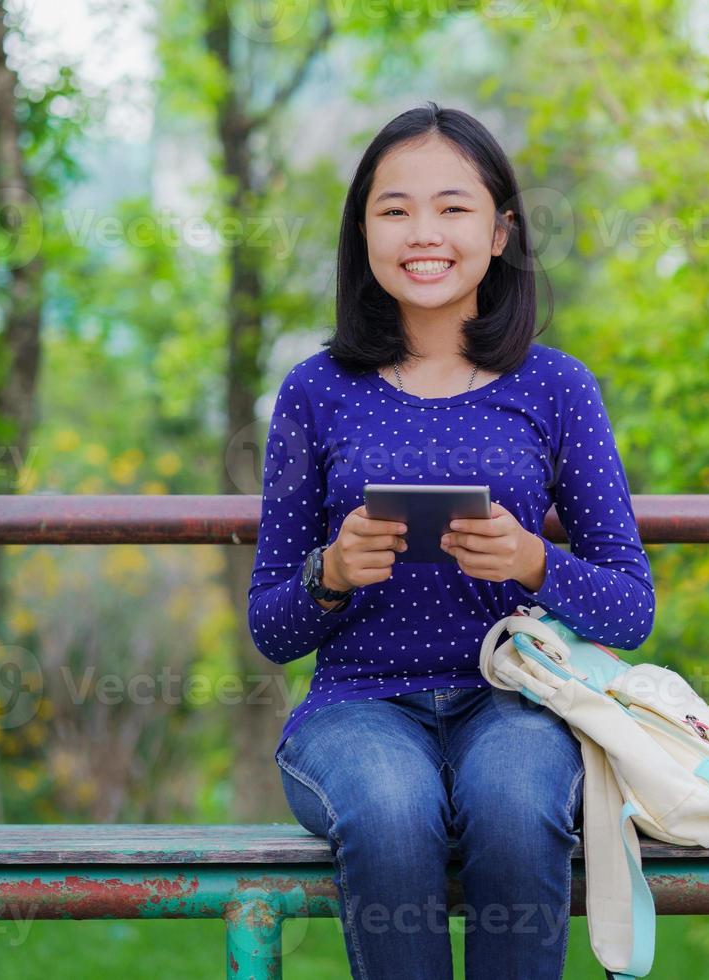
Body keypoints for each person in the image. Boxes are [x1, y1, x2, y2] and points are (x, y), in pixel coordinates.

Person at [245, 100, 656, 980]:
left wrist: (535, 561)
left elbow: (631, 603)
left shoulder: (557, 387)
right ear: (363, 234)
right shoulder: (315, 391)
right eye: (394, 210)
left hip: (515, 699)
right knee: (393, 807)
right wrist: (331, 574)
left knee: (512, 802)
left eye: (453, 207)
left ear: (501, 230)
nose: (423, 233)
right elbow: (271, 628)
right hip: (359, 706)